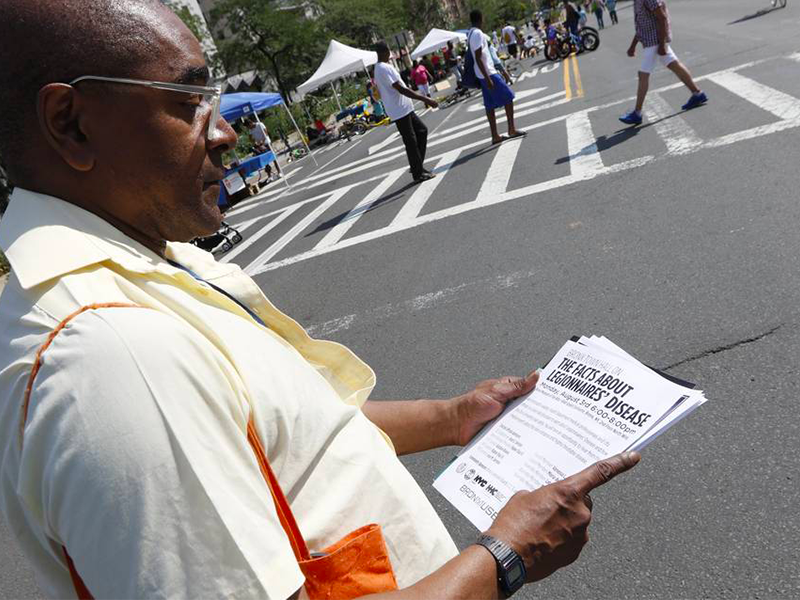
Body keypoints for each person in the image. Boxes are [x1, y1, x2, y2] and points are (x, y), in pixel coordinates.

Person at [0, 2, 642, 598]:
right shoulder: (113, 354)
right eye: (189, 101)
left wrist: (453, 417)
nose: (224, 132)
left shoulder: (143, 261)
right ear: (71, 124)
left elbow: (291, 428)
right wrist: (506, 557)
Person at [619, 0, 707, 125]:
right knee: (674, 64)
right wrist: (633, 45)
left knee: (643, 75)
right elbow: (641, 26)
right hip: (652, 41)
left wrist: (662, 44)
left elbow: (662, 18)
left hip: (655, 41)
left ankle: (637, 113)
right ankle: (697, 93)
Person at [374, 42, 438, 182]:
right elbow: (401, 89)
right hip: (399, 110)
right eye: (389, 51)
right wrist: (425, 99)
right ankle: (418, 173)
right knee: (411, 141)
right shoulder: (383, 68)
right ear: (385, 51)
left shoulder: (378, 67)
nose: (390, 54)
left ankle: (416, 166)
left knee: (421, 131)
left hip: (402, 108)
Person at [468, 10, 526, 145]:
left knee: (489, 105)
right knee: (508, 97)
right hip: (488, 73)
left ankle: (495, 136)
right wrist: (488, 78)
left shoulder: (471, 33)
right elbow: (478, 57)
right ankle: (511, 129)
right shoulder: (477, 33)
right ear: (481, 18)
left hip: (483, 73)